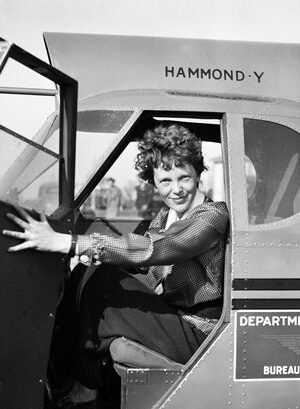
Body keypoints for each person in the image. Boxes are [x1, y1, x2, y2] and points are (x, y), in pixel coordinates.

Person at [3, 124, 229, 409]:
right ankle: (59, 377)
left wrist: (71, 243)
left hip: (200, 334)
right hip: (173, 317)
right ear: (153, 182)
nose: (177, 189)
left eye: (184, 177)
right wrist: (92, 258)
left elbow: (154, 249)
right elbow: (146, 268)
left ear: (198, 173)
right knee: (91, 272)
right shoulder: (164, 216)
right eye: (166, 181)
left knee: (104, 280)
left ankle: (85, 388)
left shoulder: (211, 217)